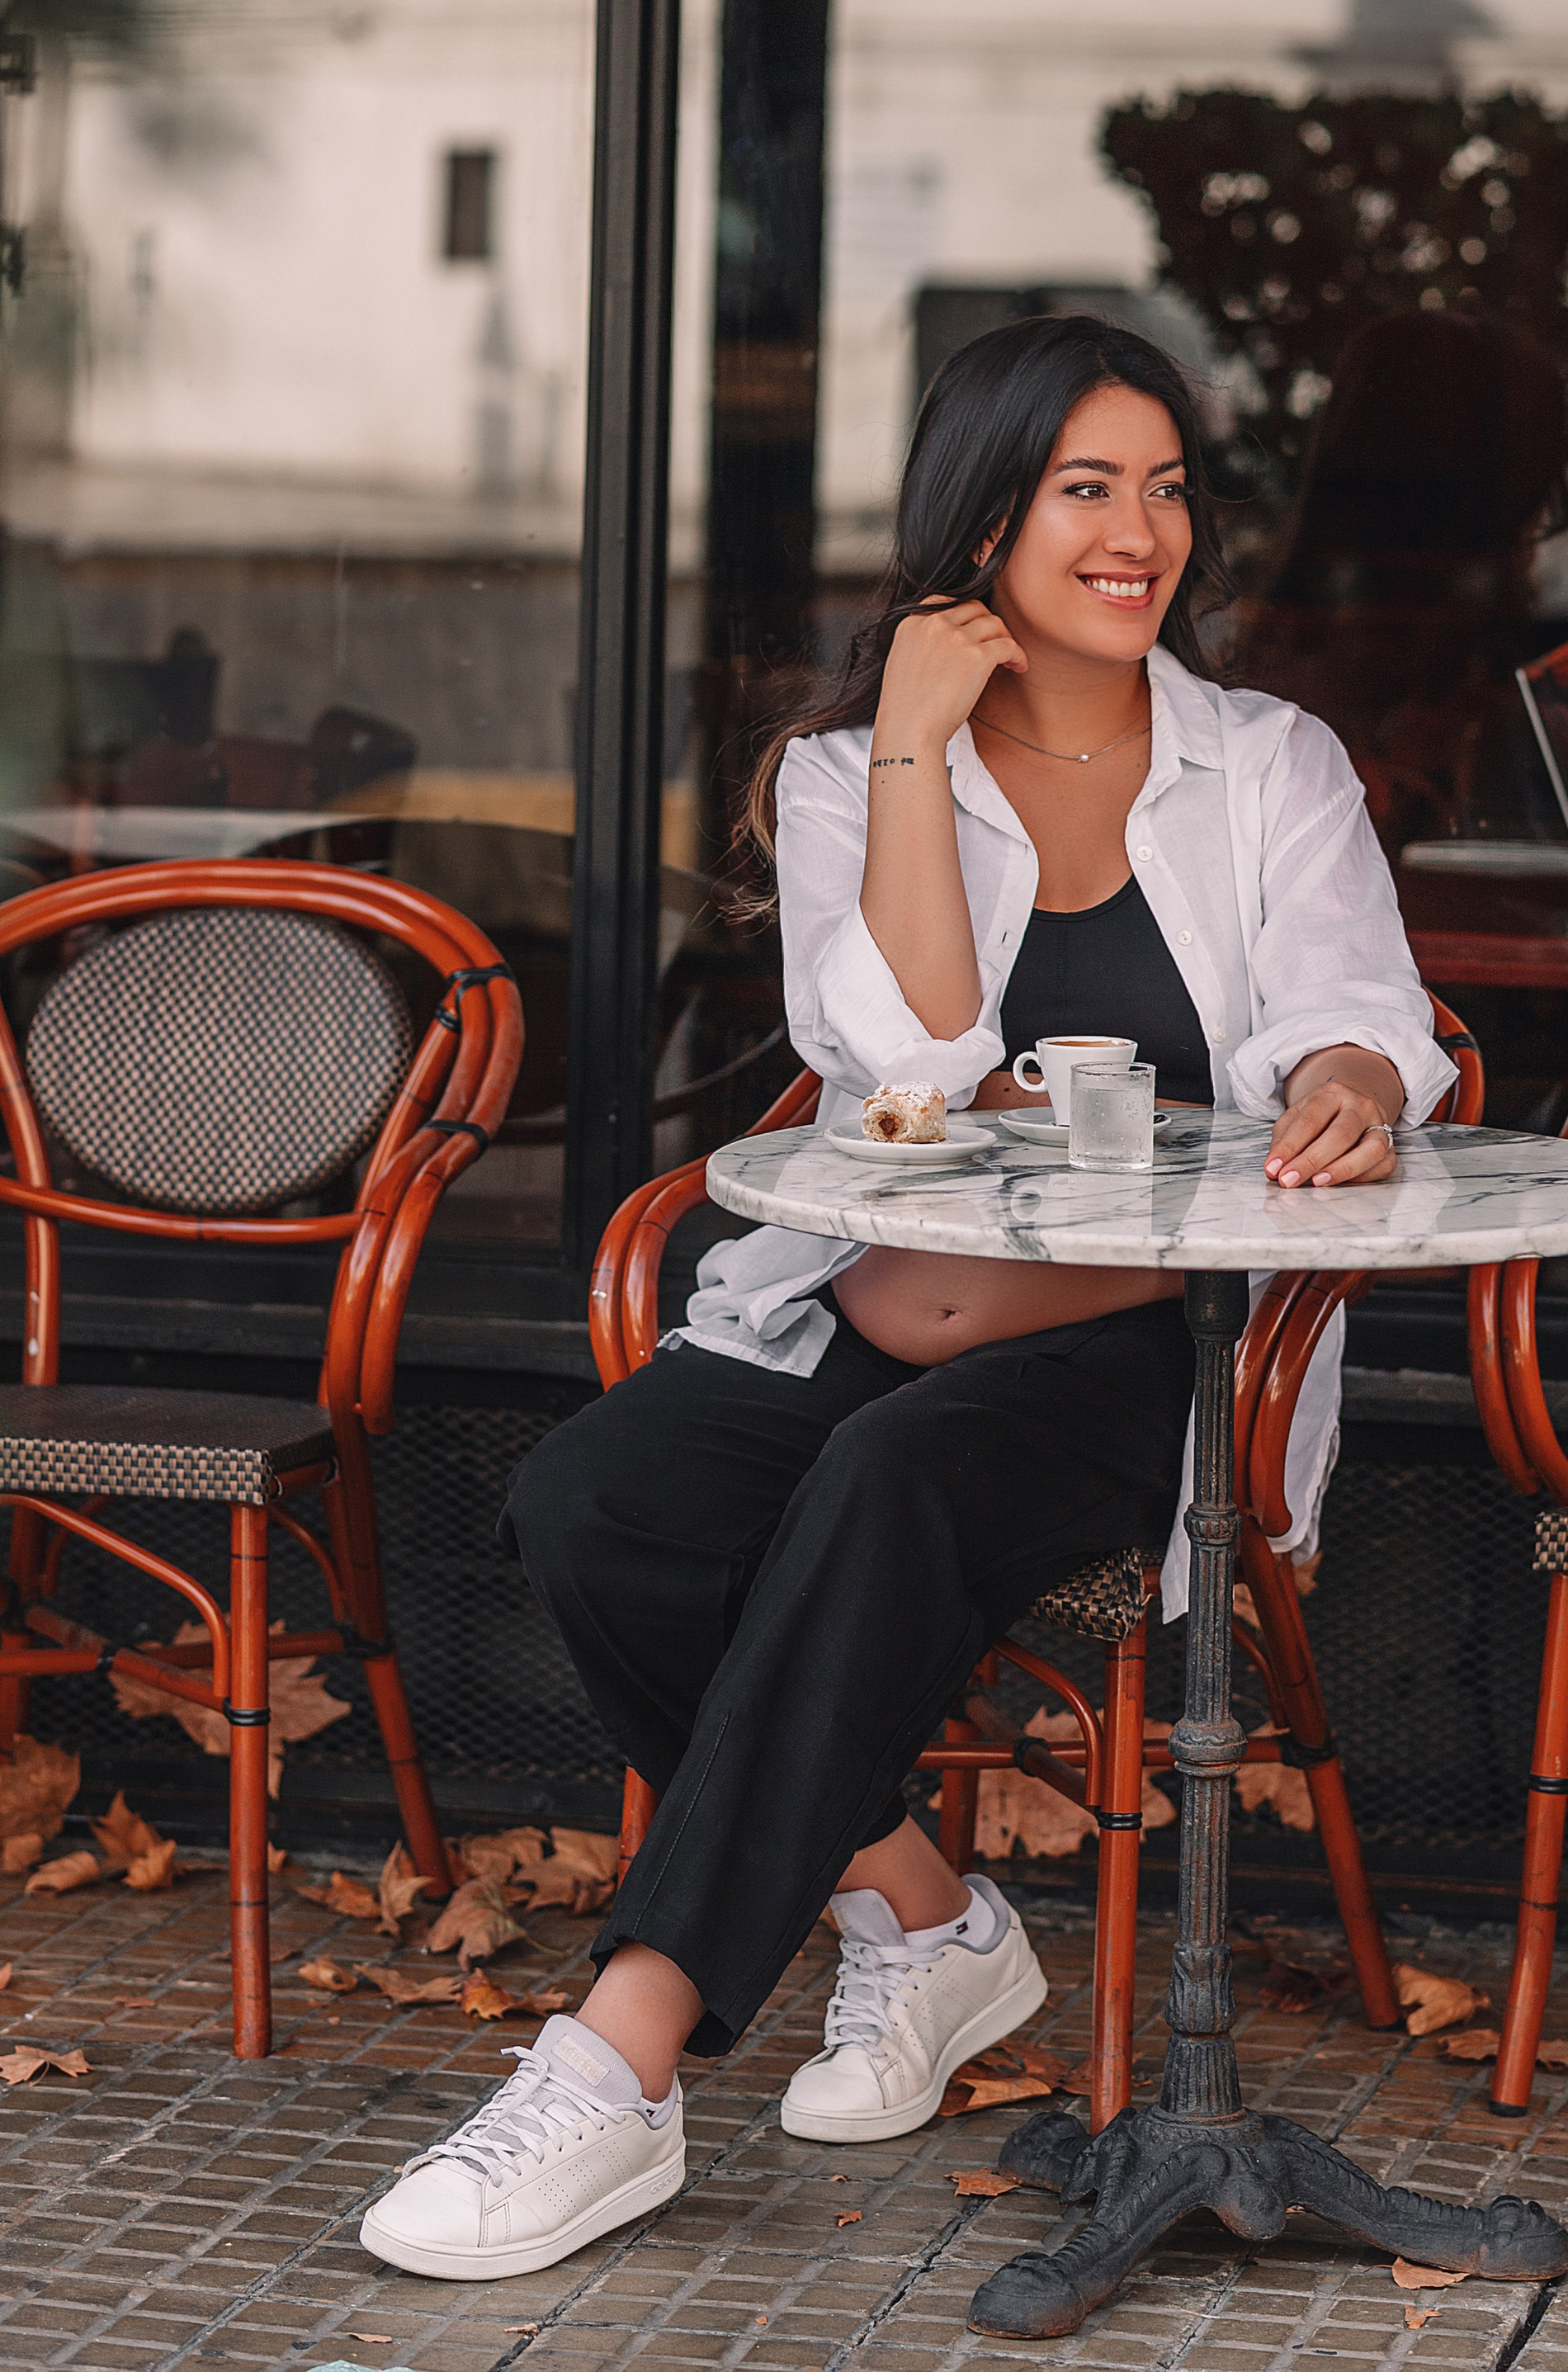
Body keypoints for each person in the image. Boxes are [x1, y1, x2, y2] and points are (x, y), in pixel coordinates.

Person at [361, 314, 1455, 2283]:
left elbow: (1352, 1011)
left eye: (1166, 488)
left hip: (1157, 1351)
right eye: (1084, 489)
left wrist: (1359, 1081)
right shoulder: (845, 773)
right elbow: (912, 1070)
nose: (1141, 534)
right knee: (592, 1502)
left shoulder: (1263, 762)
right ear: (980, 522)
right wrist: (912, 748)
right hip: (867, 1304)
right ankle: (924, 1913)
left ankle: (615, 2065)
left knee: (887, 1483)